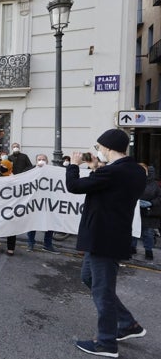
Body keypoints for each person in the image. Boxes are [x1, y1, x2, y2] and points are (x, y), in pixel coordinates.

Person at [66, 129, 147, 358]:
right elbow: (108, 188)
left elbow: (74, 186)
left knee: (102, 291)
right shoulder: (133, 171)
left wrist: (73, 165)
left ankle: (106, 343)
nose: (98, 151)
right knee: (88, 278)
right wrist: (95, 170)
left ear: (109, 148)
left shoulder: (114, 172)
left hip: (104, 238)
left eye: (99, 147)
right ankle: (127, 324)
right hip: (111, 236)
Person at [26, 153, 59, 254]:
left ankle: (47, 245)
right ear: (36, 162)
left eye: (43, 159)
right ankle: (30, 243)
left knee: (50, 223)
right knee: (33, 224)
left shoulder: (53, 172)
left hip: (49, 203)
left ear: (47, 161)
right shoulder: (31, 171)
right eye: (39, 159)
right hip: (35, 202)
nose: (41, 161)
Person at [132, 164, 161, 260]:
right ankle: (132, 248)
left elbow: (159, 197)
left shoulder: (154, 184)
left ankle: (148, 251)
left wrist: (151, 203)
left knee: (148, 233)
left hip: (148, 213)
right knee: (133, 230)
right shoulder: (134, 181)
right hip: (135, 212)